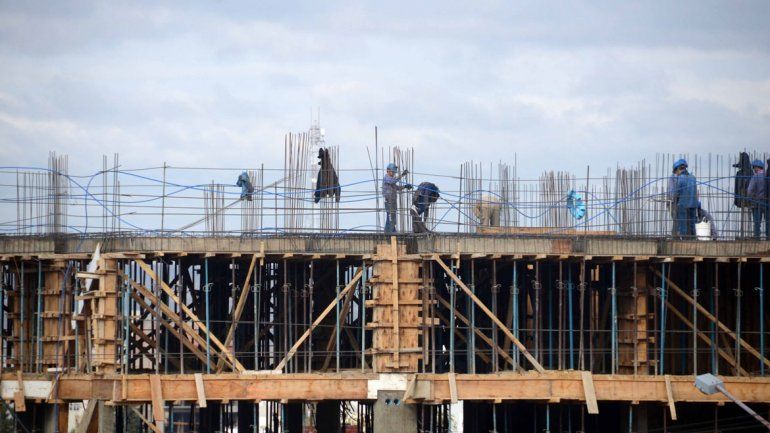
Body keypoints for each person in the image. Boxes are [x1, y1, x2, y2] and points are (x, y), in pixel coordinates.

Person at [382, 163, 411, 233]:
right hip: (389, 201)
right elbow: (392, 181)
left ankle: (390, 231)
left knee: (393, 218)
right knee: (390, 217)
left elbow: (397, 187)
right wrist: (402, 175)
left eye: (394, 172)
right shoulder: (386, 178)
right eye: (392, 172)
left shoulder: (392, 180)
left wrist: (405, 186)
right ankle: (389, 232)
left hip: (393, 201)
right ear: (388, 171)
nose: (393, 173)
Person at [672, 159, 698, 238]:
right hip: (693, 204)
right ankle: (693, 238)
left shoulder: (680, 179)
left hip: (683, 204)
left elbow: (677, 193)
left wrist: (674, 201)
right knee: (692, 223)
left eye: (676, 172)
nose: (676, 174)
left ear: (678, 169)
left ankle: (684, 240)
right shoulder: (693, 178)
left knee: (682, 224)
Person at [747, 159, 767, 239]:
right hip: (766, 202)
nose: (753, 169)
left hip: (756, 202)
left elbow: (749, 191)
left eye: (754, 168)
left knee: (757, 222)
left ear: (756, 168)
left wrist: (751, 197)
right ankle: (768, 237)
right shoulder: (767, 176)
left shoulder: (755, 177)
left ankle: (757, 238)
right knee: (768, 221)